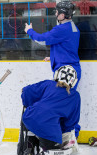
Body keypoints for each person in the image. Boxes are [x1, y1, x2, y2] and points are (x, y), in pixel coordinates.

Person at [24, 1, 81, 137]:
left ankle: (72, 135)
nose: (55, 14)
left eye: (56, 12)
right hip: (71, 69)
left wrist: (29, 31)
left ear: (62, 14)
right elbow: (67, 47)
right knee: (66, 103)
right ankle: (69, 135)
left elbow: (43, 40)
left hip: (65, 72)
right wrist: (54, 57)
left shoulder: (62, 29)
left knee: (62, 104)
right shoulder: (73, 27)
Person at [20, 65, 81, 155]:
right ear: (74, 81)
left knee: (34, 123)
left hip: (29, 116)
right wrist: (60, 134)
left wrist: (30, 105)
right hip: (49, 128)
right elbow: (71, 122)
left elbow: (26, 91)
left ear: (57, 75)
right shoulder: (75, 96)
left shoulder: (48, 84)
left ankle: (28, 150)